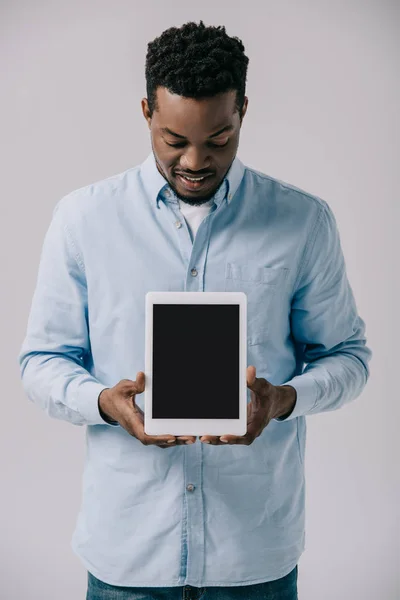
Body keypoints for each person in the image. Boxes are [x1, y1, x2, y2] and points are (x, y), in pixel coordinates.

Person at [18, 20, 372, 600]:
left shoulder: (303, 222)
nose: (196, 161)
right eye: (174, 140)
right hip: (127, 556)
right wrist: (103, 403)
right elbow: (41, 360)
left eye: (219, 140)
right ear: (146, 113)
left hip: (253, 560)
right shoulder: (84, 219)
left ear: (243, 112)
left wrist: (285, 400)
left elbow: (348, 358)